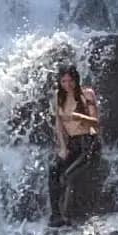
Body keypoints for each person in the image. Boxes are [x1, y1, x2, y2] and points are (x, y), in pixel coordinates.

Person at [47, 65, 103, 209]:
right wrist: (63, 148)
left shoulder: (87, 94)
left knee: (68, 175)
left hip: (89, 142)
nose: (67, 85)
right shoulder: (59, 97)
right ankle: (56, 215)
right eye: (64, 81)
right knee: (54, 170)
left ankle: (68, 215)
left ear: (76, 79)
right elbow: (59, 125)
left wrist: (79, 117)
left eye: (70, 81)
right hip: (73, 143)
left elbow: (96, 122)